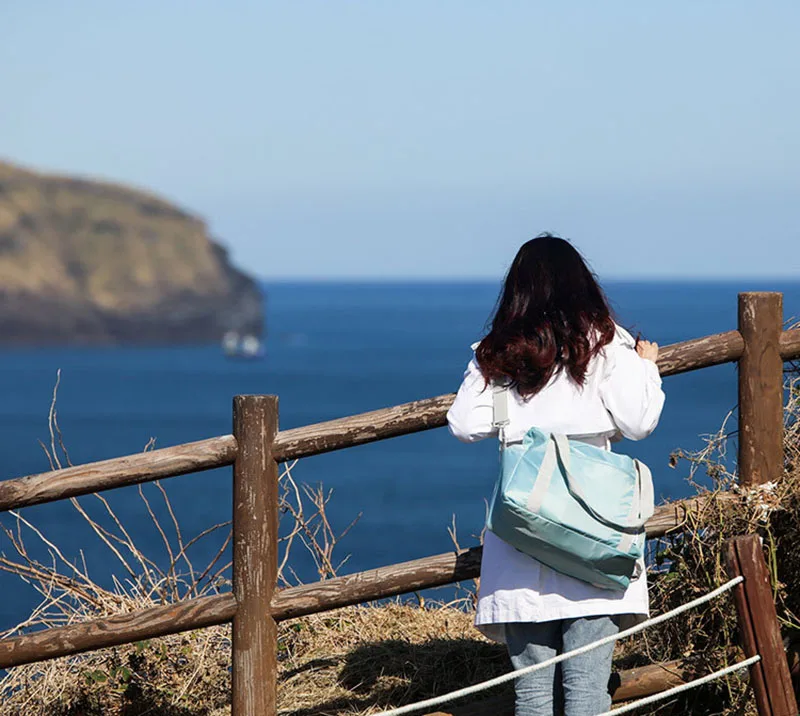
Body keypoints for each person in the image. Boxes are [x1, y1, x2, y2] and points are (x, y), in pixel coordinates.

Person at [446, 234, 665, 716]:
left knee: (532, 696)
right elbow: (639, 421)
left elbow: (465, 423)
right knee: (588, 693)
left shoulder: (500, 353)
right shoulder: (605, 344)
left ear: (517, 292)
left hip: (523, 537)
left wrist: (507, 396)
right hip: (594, 532)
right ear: (581, 286)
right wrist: (646, 367)